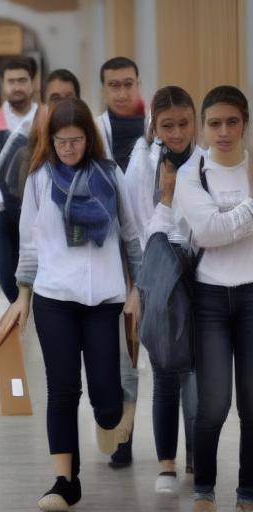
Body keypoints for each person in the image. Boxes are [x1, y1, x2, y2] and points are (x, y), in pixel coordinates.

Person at [11, 97, 142, 511]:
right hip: (55, 298)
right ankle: (65, 482)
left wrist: (136, 289)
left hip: (104, 298)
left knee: (105, 401)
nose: (68, 149)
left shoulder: (110, 175)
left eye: (76, 140)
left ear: (90, 138)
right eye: (61, 141)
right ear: (49, 141)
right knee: (62, 389)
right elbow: (29, 245)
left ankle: (113, 413)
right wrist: (23, 295)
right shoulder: (38, 180)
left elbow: (132, 236)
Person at [172, 86, 253, 512]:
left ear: (244, 125)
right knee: (215, 403)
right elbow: (206, 233)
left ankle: (247, 492)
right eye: (215, 123)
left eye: (233, 122)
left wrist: (232, 220)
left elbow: (223, 228)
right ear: (204, 127)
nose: (224, 131)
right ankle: (204, 486)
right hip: (209, 299)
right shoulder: (192, 173)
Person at [125, 86, 202, 493]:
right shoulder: (142, 164)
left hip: (201, 273)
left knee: (195, 373)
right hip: (157, 272)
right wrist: (139, 287)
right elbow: (138, 228)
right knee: (164, 372)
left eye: (184, 124)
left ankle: (195, 459)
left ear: (195, 121)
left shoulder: (205, 162)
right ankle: (166, 463)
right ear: (154, 125)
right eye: (167, 125)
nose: (176, 133)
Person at [95, 56, 145, 468]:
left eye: (128, 84)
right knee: (121, 347)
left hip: (154, 249)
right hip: (110, 254)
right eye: (114, 85)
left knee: (164, 348)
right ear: (104, 89)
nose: (122, 92)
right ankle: (123, 434)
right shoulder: (95, 132)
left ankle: (180, 450)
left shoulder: (158, 128)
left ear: (139, 84)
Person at [0, 57, 38, 302]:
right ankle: (16, 309)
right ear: (3, 85)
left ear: (33, 82)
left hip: (38, 205)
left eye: (22, 80)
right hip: (2, 207)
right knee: (5, 268)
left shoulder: (44, 116)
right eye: (11, 81)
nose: (16, 86)